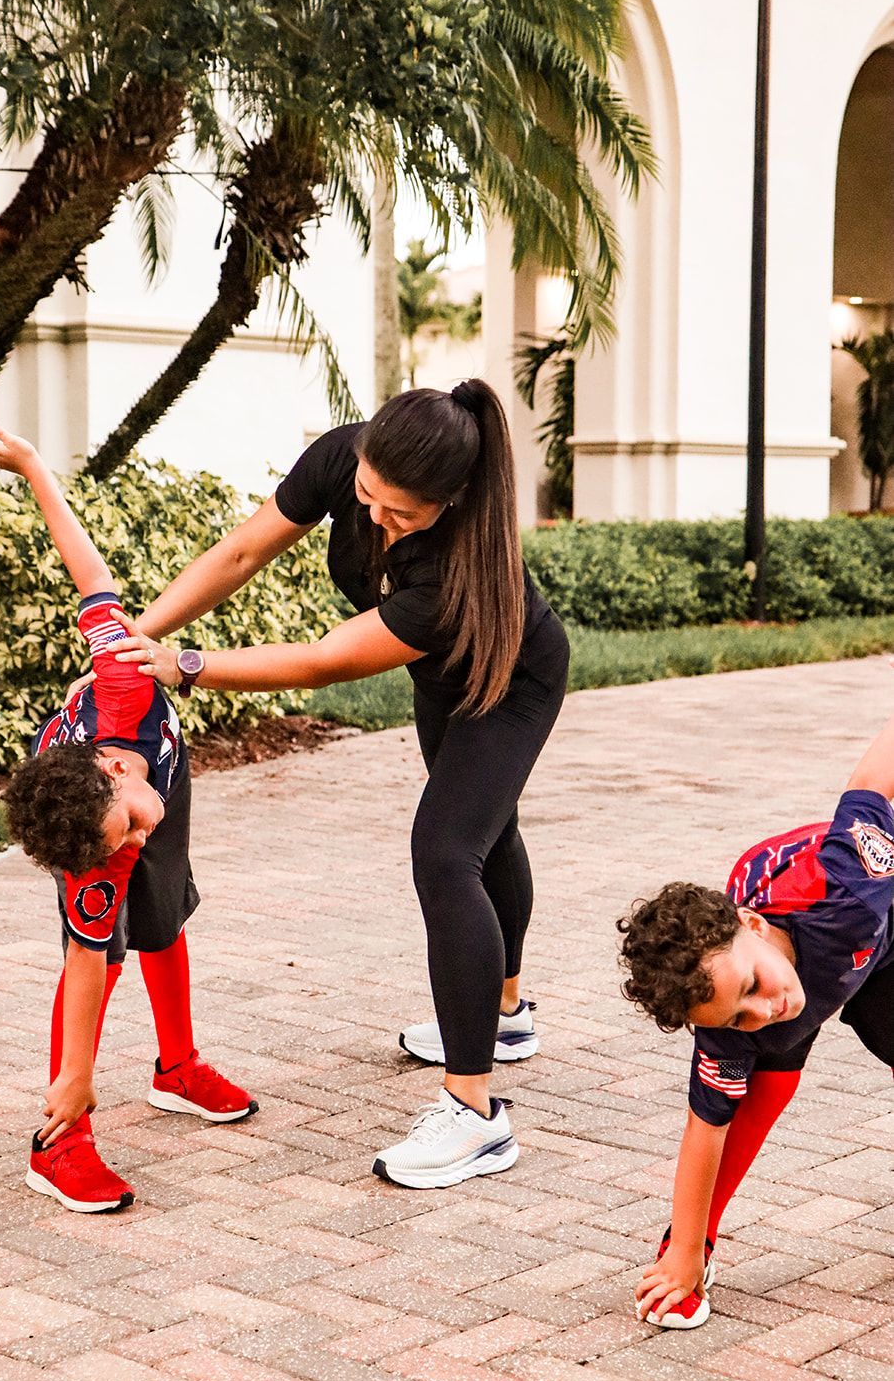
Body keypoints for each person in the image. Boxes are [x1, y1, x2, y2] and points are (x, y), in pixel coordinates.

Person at [101, 381, 570, 1189]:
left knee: (446, 851)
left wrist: (186, 666)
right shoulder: (343, 456)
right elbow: (241, 552)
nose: (377, 522)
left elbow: (322, 661)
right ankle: (504, 1014)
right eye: (367, 499)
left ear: (451, 502)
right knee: (484, 831)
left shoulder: (456, 568)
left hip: (510, 679)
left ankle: (474, 1114)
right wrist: (138, 634)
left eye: (403, 514)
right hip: (438, 676)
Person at [0, 425, 255, 1215]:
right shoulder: (97, 842)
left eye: (128, 828)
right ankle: (62, 1142)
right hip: (108, 796)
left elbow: (86, 569)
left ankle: (176, 1067)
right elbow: (87, 969)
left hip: (161, 770)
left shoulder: (122, 677)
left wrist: (30, 465)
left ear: (116, 771)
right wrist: (80, 1079)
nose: (136, 842)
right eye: (123, 841)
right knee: (95, 944)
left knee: (163, 915)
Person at [618, 703, 894, 1327]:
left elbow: (872, 782)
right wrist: (687, 1251)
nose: (765, 1008)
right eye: (739, 1015)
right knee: (754, 1084)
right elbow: (704, 1129)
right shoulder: (726, 1010)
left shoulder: (845, 884)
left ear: (751, 924)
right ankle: (692, 1246)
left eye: (752, 985)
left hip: (881, 930)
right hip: (831, 964)